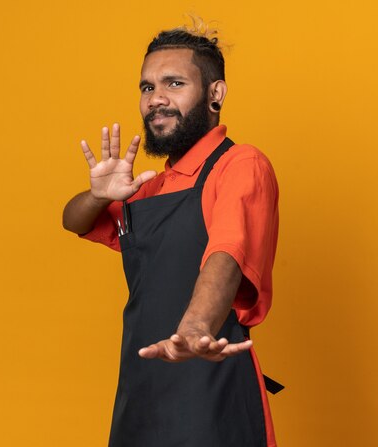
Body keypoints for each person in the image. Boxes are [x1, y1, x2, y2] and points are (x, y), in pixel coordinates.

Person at [63, 24, 280, 447]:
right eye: (147, 87)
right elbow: (75, 221)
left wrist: (196, 325)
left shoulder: (239, 164)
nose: (155, 98)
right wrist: (96, 195)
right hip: (140, 396)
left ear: (216, 93)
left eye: (174, 83)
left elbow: (227, 253)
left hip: (212, 397)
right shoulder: (149, 186)